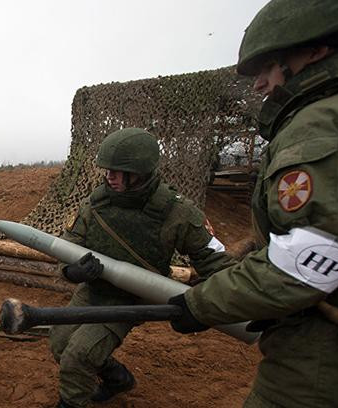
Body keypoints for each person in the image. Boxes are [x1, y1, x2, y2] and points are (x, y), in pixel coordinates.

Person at [168, 1, 338, 407]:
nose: (259, 84)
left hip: (326, 356)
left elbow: (312, 260)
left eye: (268, 67)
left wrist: (201, 304)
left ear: (315, 50)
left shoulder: (322, 122)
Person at [50, 127, 235, 408]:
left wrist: (218, 297)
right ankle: (116, 379)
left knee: (79, 356)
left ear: (140, 172)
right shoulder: (96, 203)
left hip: (131, 298)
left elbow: (215, 259)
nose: (109, 176)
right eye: (107, 170)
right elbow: (70, 243)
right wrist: (72, 270)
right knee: (60, 344)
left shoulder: (176, 212)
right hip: (93, 291)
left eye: (118, 171)